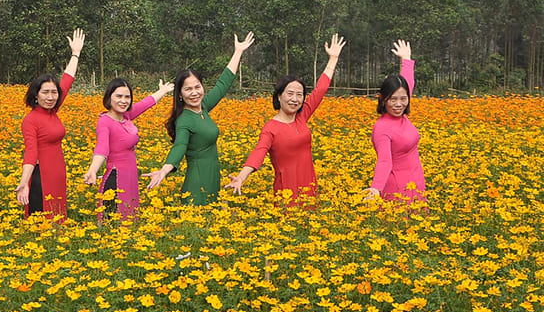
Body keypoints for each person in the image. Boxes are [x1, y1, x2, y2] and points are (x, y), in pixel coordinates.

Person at [225, 33, 346, 202]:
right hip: (286, 189)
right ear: (279, 96)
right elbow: (258, 153)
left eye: (299, 95)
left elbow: (320, 89)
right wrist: (241, 177)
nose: (295, 99)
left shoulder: (302, 116)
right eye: (290, 94)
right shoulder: (271, 128)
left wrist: (333, 59)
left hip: (309, 184)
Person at [145, 32, 255, 205]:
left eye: (198, 87)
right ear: (180, 94)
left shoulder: (203, 107)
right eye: (188, 89)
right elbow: (180, 146)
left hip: (213, 179)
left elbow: (223, 84)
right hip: (197, 183)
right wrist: (165, 169)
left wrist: (238, 52)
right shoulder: (184, 120)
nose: (194, 92)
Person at [16, 29, 85, 219]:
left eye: (54, 93)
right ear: (35, 95)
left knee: (58, 216)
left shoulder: (53, 110)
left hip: (58, 172)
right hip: (41, 175)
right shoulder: (30, 120)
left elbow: (67, 80)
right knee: (43, 219)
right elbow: (31, 152)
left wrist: (75, 53)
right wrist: (24, 181)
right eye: (45, 92)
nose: (50, 97)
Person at [82, 77, 173, 221]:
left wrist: (162, 91)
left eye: (127, 97)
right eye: (118, 96)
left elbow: (145, 103)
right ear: (109, 97)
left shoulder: (126, 116)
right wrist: (93, 170)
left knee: (130, 223)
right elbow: (102, 148)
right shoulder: (105, 122)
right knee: (114, 224)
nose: (123, 101)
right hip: (116, 180)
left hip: (131, 178)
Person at [366, 40, 425, 203]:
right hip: (398, 187)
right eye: (392, 99)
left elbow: (407, 83)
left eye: (403, 99)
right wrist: (376, 188)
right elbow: (384, 161)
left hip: (416, 180)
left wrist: (406, 59)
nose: (398, 104)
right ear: (383, 99)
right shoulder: (382, 129)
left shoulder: (402, 113)